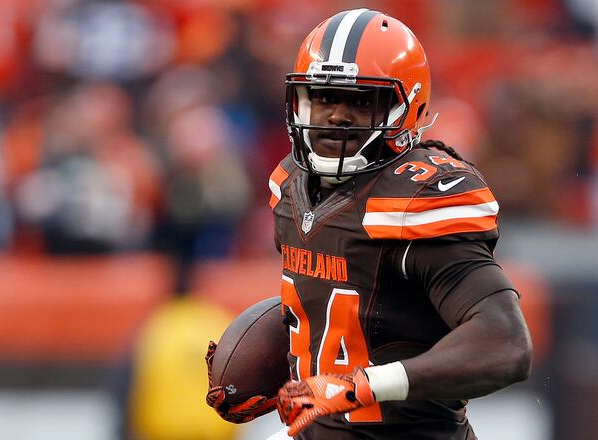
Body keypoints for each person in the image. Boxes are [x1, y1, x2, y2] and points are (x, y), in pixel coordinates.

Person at [208, 9, 532, 439]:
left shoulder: (417, 199)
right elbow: (349, 296)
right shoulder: (289, 185)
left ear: (405, 107)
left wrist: (367, 384)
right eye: (324, 97)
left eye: (361, 101)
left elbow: (505, 344)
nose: (337, 115)